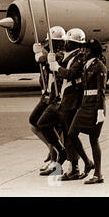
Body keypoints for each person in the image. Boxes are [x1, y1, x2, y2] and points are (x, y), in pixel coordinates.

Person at [49, 28, 93, 180]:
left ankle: (76, 166)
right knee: (66, 135)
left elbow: (71, 73)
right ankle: (76, 164)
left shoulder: (80, 57)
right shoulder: (71, 55)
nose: (67, 44)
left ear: (77, 44)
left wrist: (57, 68)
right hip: (66, 98)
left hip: (73, 101)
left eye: (70, 42)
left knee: (69, 135)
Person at [66, 39, 107, 184]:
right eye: (83, 49)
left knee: (93, 139)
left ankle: (98, 174)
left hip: (95, 106)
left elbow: (101, 91)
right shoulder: (86, 65)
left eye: (87, 50)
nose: (83, 52)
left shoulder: (99, 67)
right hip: (84, 105)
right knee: (71, 133)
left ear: (93, 52)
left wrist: (100, 111)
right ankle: (87, 162)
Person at [31, 26, 65, 172]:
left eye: (51, 42)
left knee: (49, 128)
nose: (48, 44)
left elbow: (47, 60)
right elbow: (43, 60)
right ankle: (53, 152)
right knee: (35, 124)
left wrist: (41, 54)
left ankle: (55, 160)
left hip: (56, 98)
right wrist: (39, 51)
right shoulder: (51, 53)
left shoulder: (61, 55)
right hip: (46, 95)